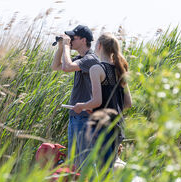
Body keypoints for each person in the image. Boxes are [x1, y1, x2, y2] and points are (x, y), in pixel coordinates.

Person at [72, 32, 132, 170]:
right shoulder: (120, 71)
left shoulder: (96, 69)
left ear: (98, 46)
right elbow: (128, 103)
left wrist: (81, 106)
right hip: (118, 126)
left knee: (102, 172)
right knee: (112, 167)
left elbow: (97, 101)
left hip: (101, 128)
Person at [51, 25, 100, 168]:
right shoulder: (80, 58)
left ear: (84, 40)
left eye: (73, 38)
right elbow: (56, 66)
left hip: (85, 116)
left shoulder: (91, 59)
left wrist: (66, 46)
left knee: (86, 162)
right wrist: (61, 46)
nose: (71, 40)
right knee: (76, 164)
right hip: (75, 116)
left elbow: (67, 67)